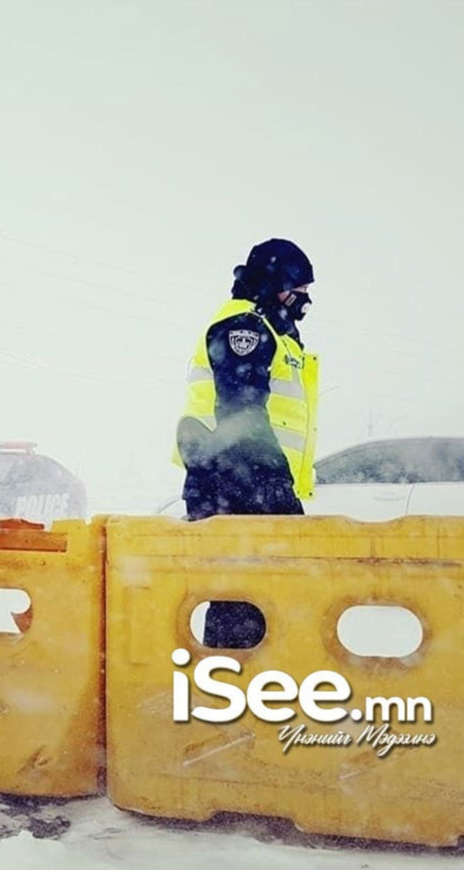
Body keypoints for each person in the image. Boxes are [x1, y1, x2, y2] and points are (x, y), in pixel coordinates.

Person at [175, 239, 319, 648]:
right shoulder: (245, 327)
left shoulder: (274, 330)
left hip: (246, 483)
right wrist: (273, 487)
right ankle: (232, 684)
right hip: (234, 481)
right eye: (298, 289)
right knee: (244, 607)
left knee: (261, 605)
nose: (305, 300)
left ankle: (242, 681)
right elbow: (242, 411)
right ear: (275, 285)